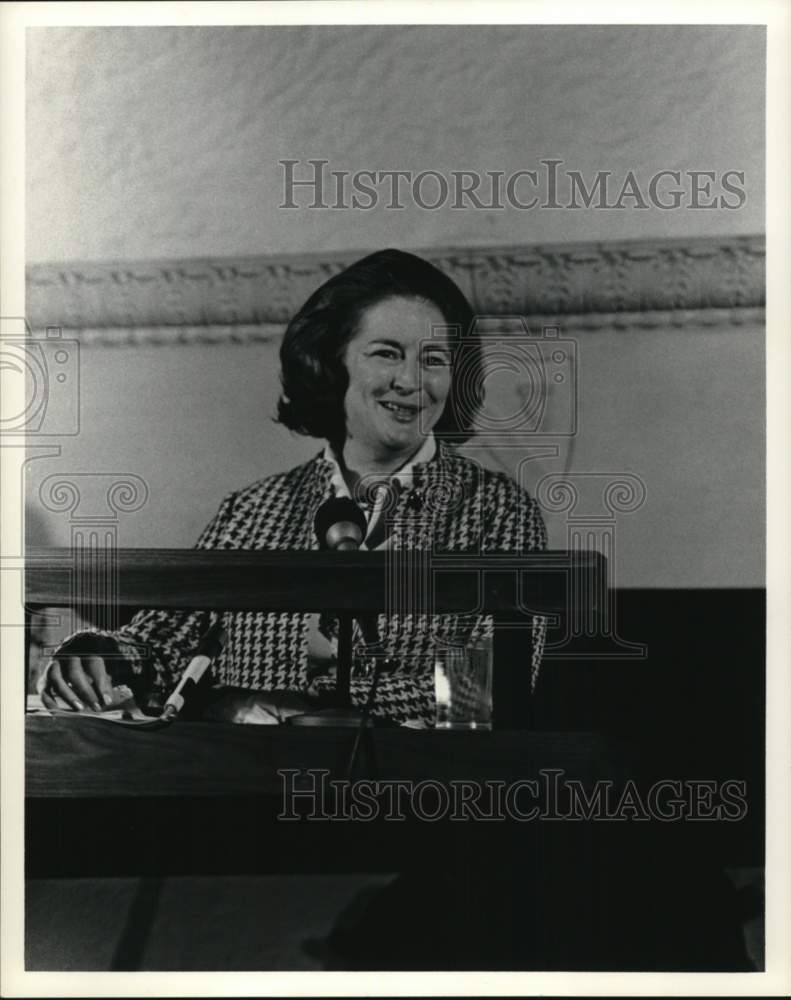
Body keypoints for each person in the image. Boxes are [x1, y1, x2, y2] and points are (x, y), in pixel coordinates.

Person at [38, 249, 547, 725]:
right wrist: (99, 657)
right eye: (388, 354)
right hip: (245, 793)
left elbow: (484, 691)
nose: (412, 381)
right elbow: (158, 643)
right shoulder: (252, 510)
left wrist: (288, 703)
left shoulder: (498, 511)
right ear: (333, 363)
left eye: (434, 359)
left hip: (413, 798)